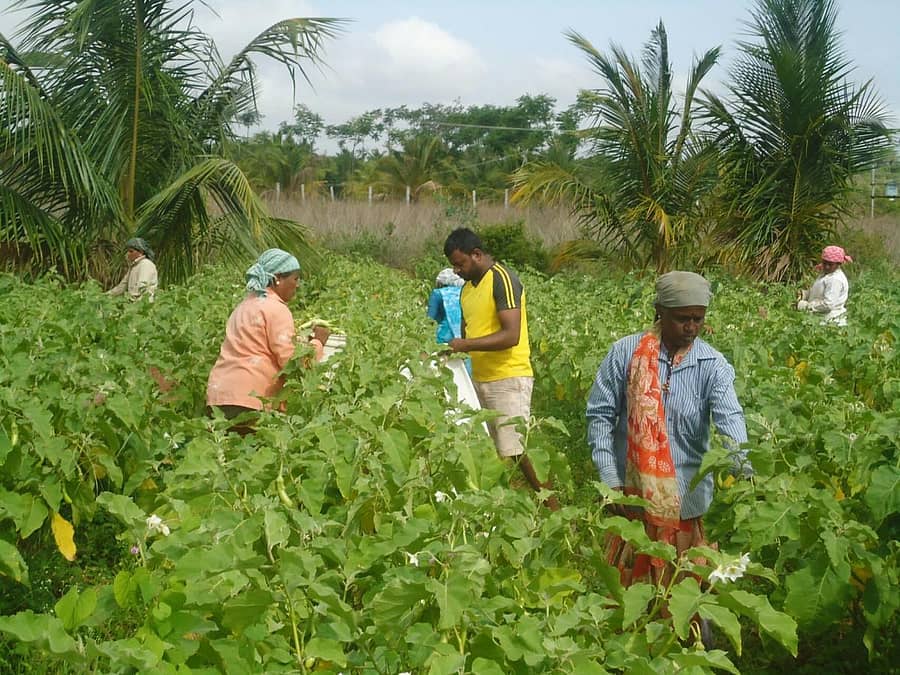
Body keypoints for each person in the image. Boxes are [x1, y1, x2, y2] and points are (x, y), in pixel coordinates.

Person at [586, 271, 750, 589]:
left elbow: (731, 421)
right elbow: (600, 417)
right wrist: (610, 478)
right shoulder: (626, 354)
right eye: (681, 319)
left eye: (697, 319)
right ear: (660, 311)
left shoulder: (711, 365)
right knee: (634, 601)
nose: (690, 328)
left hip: (688, 505)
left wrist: (745, 468)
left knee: (689, 599)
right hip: (633, 502)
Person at [443, 228, 559, 510]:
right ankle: (499, 508)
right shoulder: (467, 291)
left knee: (517, 451)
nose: (457, 271)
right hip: (480, 377)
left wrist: (466, 345)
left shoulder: (502, 279)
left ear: (477, 254)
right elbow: (467, 335)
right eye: (454, 266)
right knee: (491, 452)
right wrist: (451, 349)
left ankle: (555, 512)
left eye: (461, 264)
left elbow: (511, 335)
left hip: (508, 376)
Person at [206, 249, 329, 433]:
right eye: (295, 279)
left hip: (218, 397)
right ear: (278, 278)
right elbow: (292, 362)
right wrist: (318, 343)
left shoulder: (244, 306)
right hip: (251, 400)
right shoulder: (276, 309)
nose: (297, 285)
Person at [797, 245, 851, 326]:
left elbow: (828, 305)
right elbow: (821, 292)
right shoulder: (826, 274)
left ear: (838, 264)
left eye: (830, 264)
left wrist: (807, 306)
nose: (826, 266)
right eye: (824, 263)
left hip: (830, 322)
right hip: (821, 320)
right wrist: (806, 294)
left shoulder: (835, 280)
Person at [107, 237, 158, 301]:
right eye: (128, 251)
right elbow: (122, 286)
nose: (128, 254)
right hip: (133, 304)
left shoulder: (146, 264)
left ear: (141, 252)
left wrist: (129, 300)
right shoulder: (134, 266)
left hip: (144, 305)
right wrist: (105, 295)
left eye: (131, 251)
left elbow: (142, 286)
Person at [427, 268, 465, 344]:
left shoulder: (438, 293)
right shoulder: (467, 293)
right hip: (468, 338)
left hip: (445, 337)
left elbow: (430, 319)